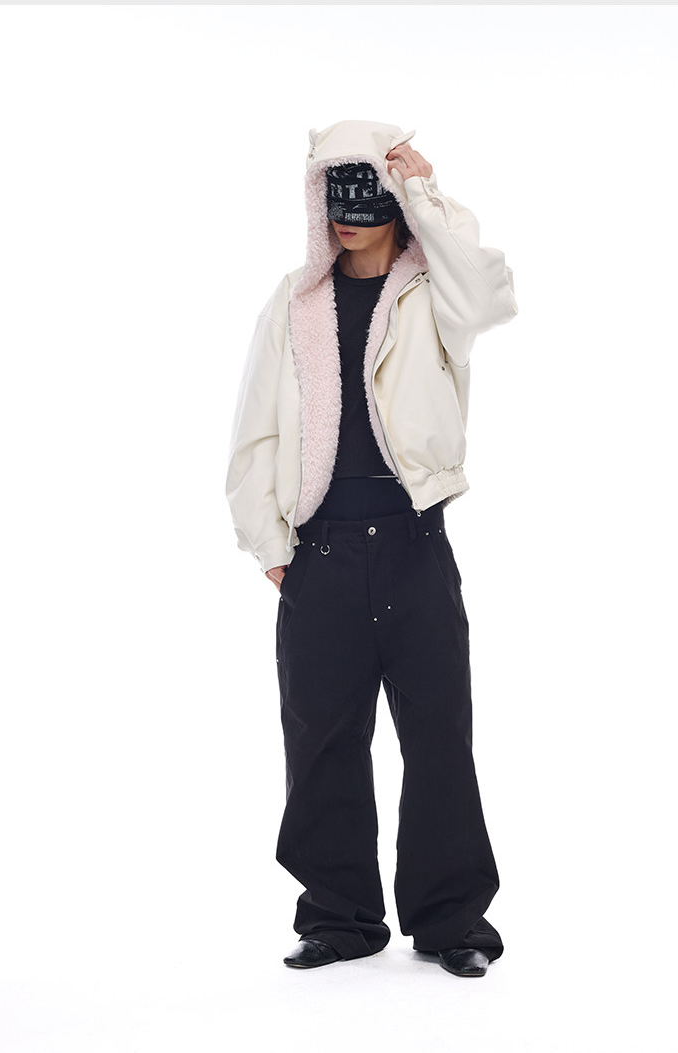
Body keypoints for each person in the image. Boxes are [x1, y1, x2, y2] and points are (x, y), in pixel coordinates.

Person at [225, 119, 518, 977]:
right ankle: (339, 917)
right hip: (319, 553)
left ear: (393, 202)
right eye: (334, 197)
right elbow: (254, 426)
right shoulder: (295, 301)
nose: (347, 218)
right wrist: (268, 542)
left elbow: (492, 296)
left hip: (415, 544)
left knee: (438, 736)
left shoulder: (434, 290)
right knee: (321, 739)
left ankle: (451, 920)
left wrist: (426, 194)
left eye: (366, 198)